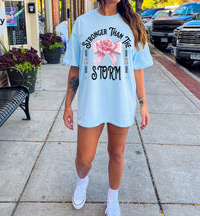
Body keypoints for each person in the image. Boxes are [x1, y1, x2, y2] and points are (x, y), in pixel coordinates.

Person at [62, 0, 153, 215]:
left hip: (121, 101)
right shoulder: (83, 23)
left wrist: (143, 104)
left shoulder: (134, 22)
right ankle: (82, 181)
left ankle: (113, 197)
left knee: (117, 153)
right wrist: (68, 104)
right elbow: (75, 67)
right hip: (91, 101)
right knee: (84, 159)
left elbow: (137, 68)